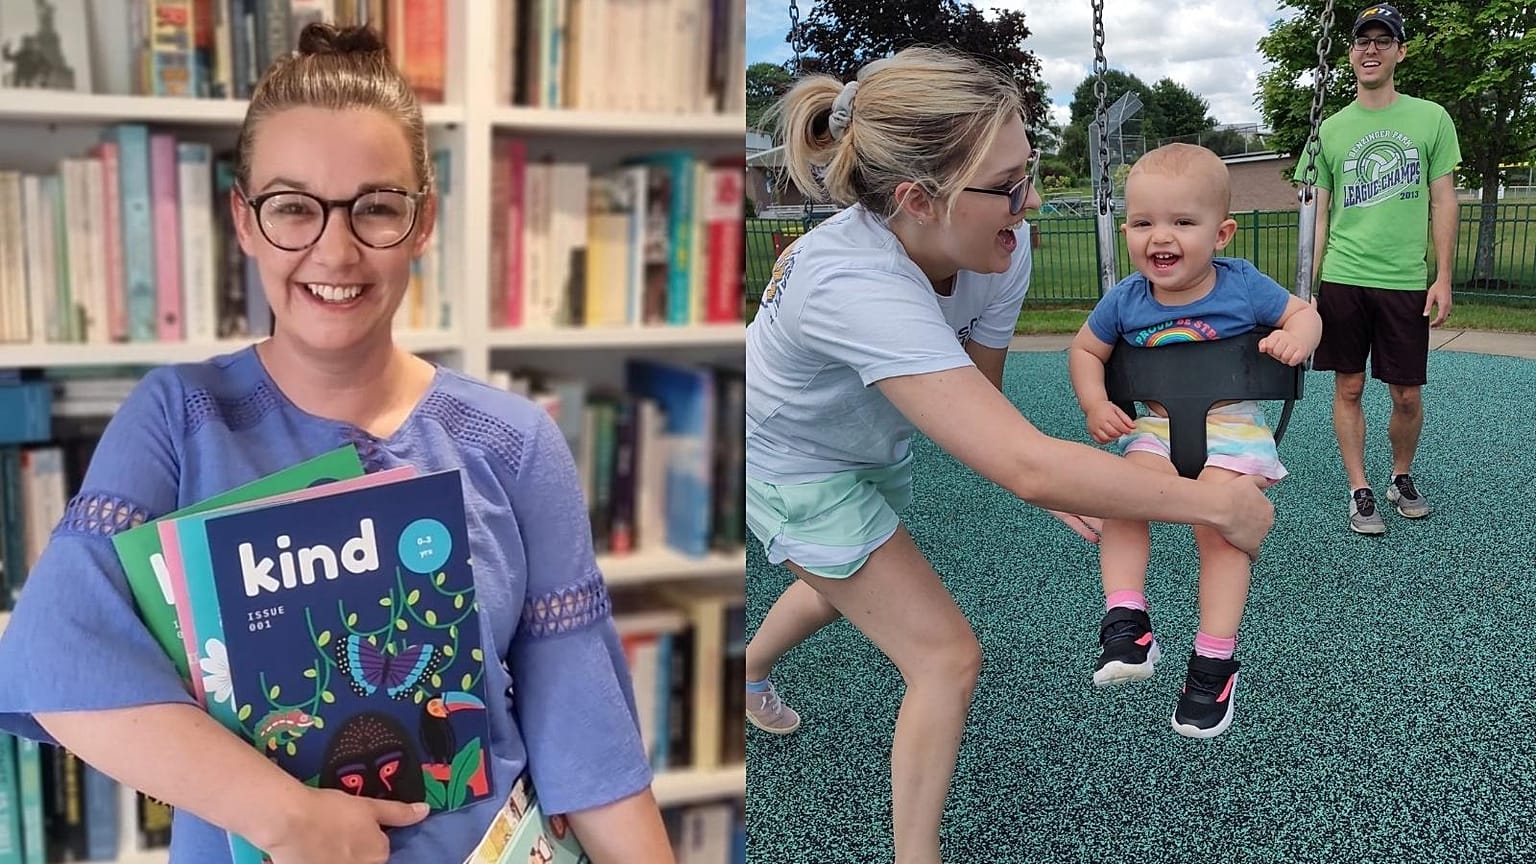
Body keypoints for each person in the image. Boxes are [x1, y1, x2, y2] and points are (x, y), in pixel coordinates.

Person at [0, 24, 673, 864]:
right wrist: (289, 816)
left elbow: (589, 747)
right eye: (292, 208)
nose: (335, 248)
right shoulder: (177, 418)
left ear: (422, 222)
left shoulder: (513, 444)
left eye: (376, 207)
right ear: (244, 222)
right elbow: (54, 656)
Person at [741, 47, 1276, 864]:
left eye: (1028, 173)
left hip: (864, 442)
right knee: (944, 657)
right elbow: (1020, 461)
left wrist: (1042, 471)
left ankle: (739, 673)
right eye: (1009, 185)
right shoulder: (846, 281)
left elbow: (984, 403)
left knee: (834, 586)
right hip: (792, 460)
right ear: (919, 199)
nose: (1029, 204)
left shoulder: (1000, 245)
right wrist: (1217, 503)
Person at [1066, 143, 1323, 738]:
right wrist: (1096, 401)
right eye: (1143, 222)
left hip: (1233, 432)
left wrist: (1297, 339)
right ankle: (1127, 622)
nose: (1162, 236)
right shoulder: (1124, 299)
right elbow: (1084, 349)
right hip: (1154, 432)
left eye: (1183, 222)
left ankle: (1213, 661)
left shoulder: (1244, 286)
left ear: (1222, 233)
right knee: (1122, 498)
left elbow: (1303, 313)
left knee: (1218, 525)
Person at [1310, 3, 1461, 534]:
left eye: (1382, 40)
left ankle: (1400, 474)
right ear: (1350, 52)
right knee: (1348, 387)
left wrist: (1442, 276)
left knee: (1406, 394)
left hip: (1403, 280)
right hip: (1344, 277)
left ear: (1400, 51)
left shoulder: (1430, 118)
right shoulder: (1330, 128)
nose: (1369, 49)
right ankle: (1360, 488)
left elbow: (1444, 201)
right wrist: (1309, 285)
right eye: (1361, 40)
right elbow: (1320, 211)